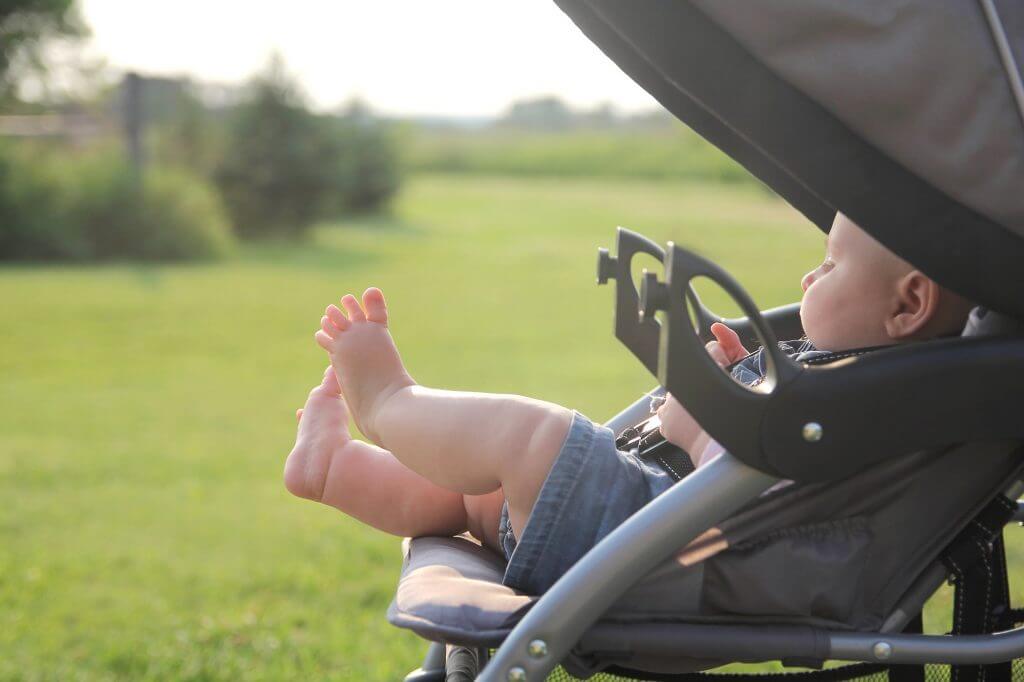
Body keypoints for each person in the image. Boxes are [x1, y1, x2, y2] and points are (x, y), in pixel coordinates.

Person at [283, 213, 973, 594]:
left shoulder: (882, 408)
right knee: (468, 499)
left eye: (828, 265)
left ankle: (387, 401)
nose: (807, 276)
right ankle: (337, 469)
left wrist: (705, 425)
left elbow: (768, 510)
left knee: (532, 437)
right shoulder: (862, 374)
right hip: (639, 523)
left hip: (667, 557)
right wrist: (736, 381)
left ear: (908, 303)